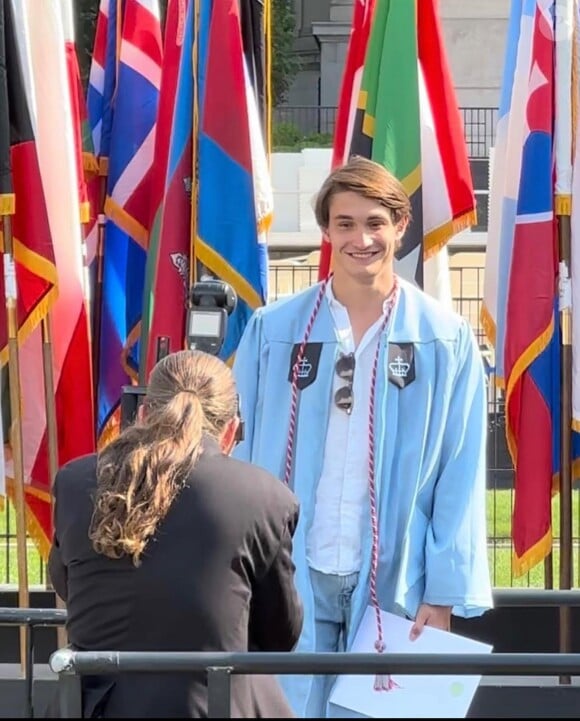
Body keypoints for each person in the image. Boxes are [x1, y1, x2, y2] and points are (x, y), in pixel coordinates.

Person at [232, 156, 493, 717]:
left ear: (400, 226)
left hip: (396, 577)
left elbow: (460, 470)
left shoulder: (442, 341)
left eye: (375, 222)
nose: (361, 238)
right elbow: (239, 457)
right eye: (344, 223)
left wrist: (441, 593)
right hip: (289, 572)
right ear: (325, 231)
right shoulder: (274, 332)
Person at [45, 349, 303, 718]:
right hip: (208, 706)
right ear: (230, 430)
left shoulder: (76, 481)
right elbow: (279, 636)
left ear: (146, 413)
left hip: (96, 708)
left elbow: (68, 585)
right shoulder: (264, 496)